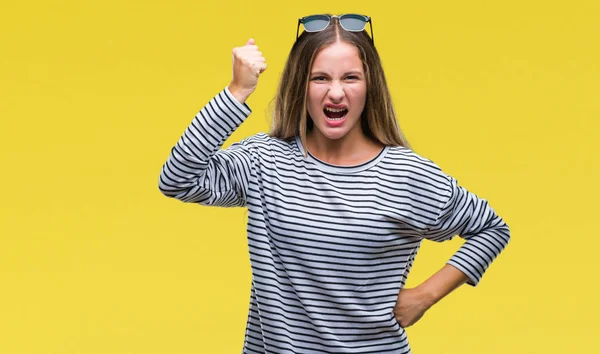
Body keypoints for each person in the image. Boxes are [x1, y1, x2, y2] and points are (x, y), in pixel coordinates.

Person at [158, 13, 510, 354]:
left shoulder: (406, 174)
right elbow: (177, 179)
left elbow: (492, 229)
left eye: (351, 78)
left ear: (370, 85)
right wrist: (237, 90)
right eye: (320, 78)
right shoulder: (265, 161)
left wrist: (424, 296)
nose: (336, 93)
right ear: (301, 85)